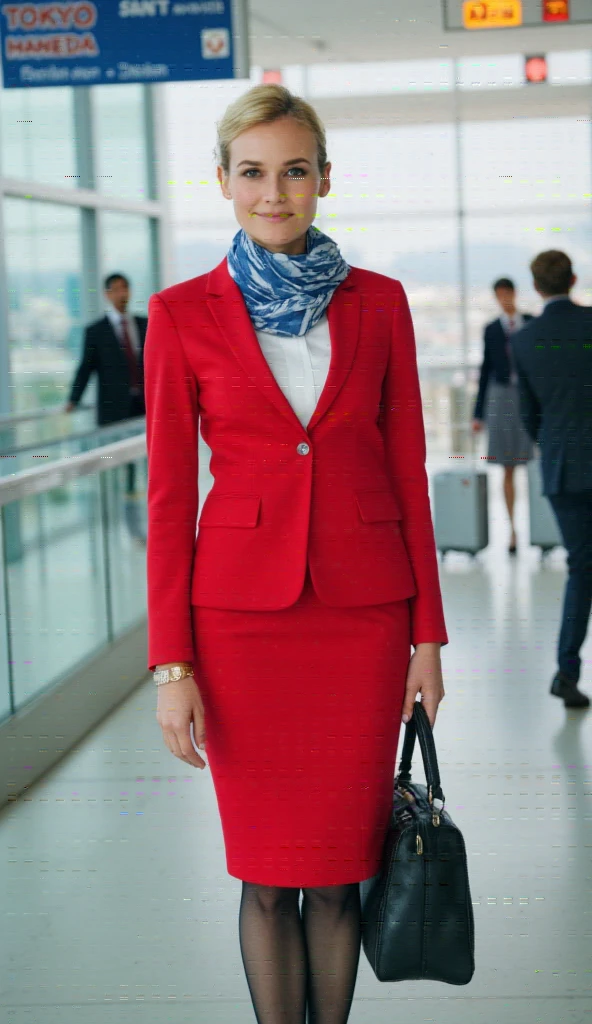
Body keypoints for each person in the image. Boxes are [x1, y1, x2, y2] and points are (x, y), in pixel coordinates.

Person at [144, 84, 448, 1024]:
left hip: (362, 624)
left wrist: (427, 640)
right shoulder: (183, 312)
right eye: (253, 173)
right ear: (224, 183)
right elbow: (164, 497)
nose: (273, 191)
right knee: (270, 878)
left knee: (341, 874)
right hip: (239, 628)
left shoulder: (381, 304)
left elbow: (409, 475)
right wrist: (171, 664)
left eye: (293, 171)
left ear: (323, 180)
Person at [511, 250, 592, 710]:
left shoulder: (525, 341)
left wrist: (559, 445)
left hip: (563, 469)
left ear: (537, 287)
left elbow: (529, 415)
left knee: (581, 569)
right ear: (574, 279)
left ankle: (566, 671)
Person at [65, 273, 147, 494]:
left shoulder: (145, 324)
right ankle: (122, 499)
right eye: (117, 289)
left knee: (149, 452)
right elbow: (86, 368)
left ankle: (144, 496)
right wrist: (73, 399)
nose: (123, 293)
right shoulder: (95, 331)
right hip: (113, 405)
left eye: (126, 287)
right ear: (107, 294)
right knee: (116, 457)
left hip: (144, 403)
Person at [472, 277, 535, 553]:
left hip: (528, 396)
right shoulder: (491, 330)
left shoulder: (531, 322)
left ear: (514, 293)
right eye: (499, 295)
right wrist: (478, 414)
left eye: (507, 293)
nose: (504, 299)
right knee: (507, 466)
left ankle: (543, 531)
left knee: (535, 467)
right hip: (500, 398)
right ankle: (512, 531)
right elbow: (485, 370)